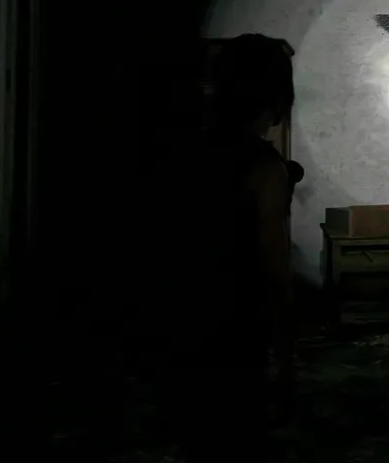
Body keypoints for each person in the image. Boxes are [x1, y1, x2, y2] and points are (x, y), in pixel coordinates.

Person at [157, 33, 297, 461]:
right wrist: (286, 357)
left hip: (183, 316)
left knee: (199, 432)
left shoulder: (185, 153)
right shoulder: (263, 166)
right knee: (237, 432)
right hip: (237, 324)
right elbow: (275, 269)